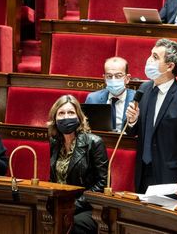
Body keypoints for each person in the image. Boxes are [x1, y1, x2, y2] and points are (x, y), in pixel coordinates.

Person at [125, 38, 177, 199]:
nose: (148, 60)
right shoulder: (144, 89)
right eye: (150, 55)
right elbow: (134, 132)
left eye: (155, 57)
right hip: (143, 174)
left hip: (170, 181)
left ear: (170, 66)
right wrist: (132, 121)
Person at [48, 95, 108, 234]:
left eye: (71, 113)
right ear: (55, 119)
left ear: (79, 117)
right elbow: (53, 179)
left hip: (89, 206)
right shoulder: (55, 142)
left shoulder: (94, 142)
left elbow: (102, 183)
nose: (66, 117)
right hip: (61, 204)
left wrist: (74, 205)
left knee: (72, 225)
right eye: (61, 113)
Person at [85, 57, 135, 131]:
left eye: (118, 76)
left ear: (127, 78)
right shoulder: (93, 98)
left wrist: (133, 121)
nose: (113, 80)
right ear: (104, 78)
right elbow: (86, 128)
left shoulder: (138, 100)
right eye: (109, 76)